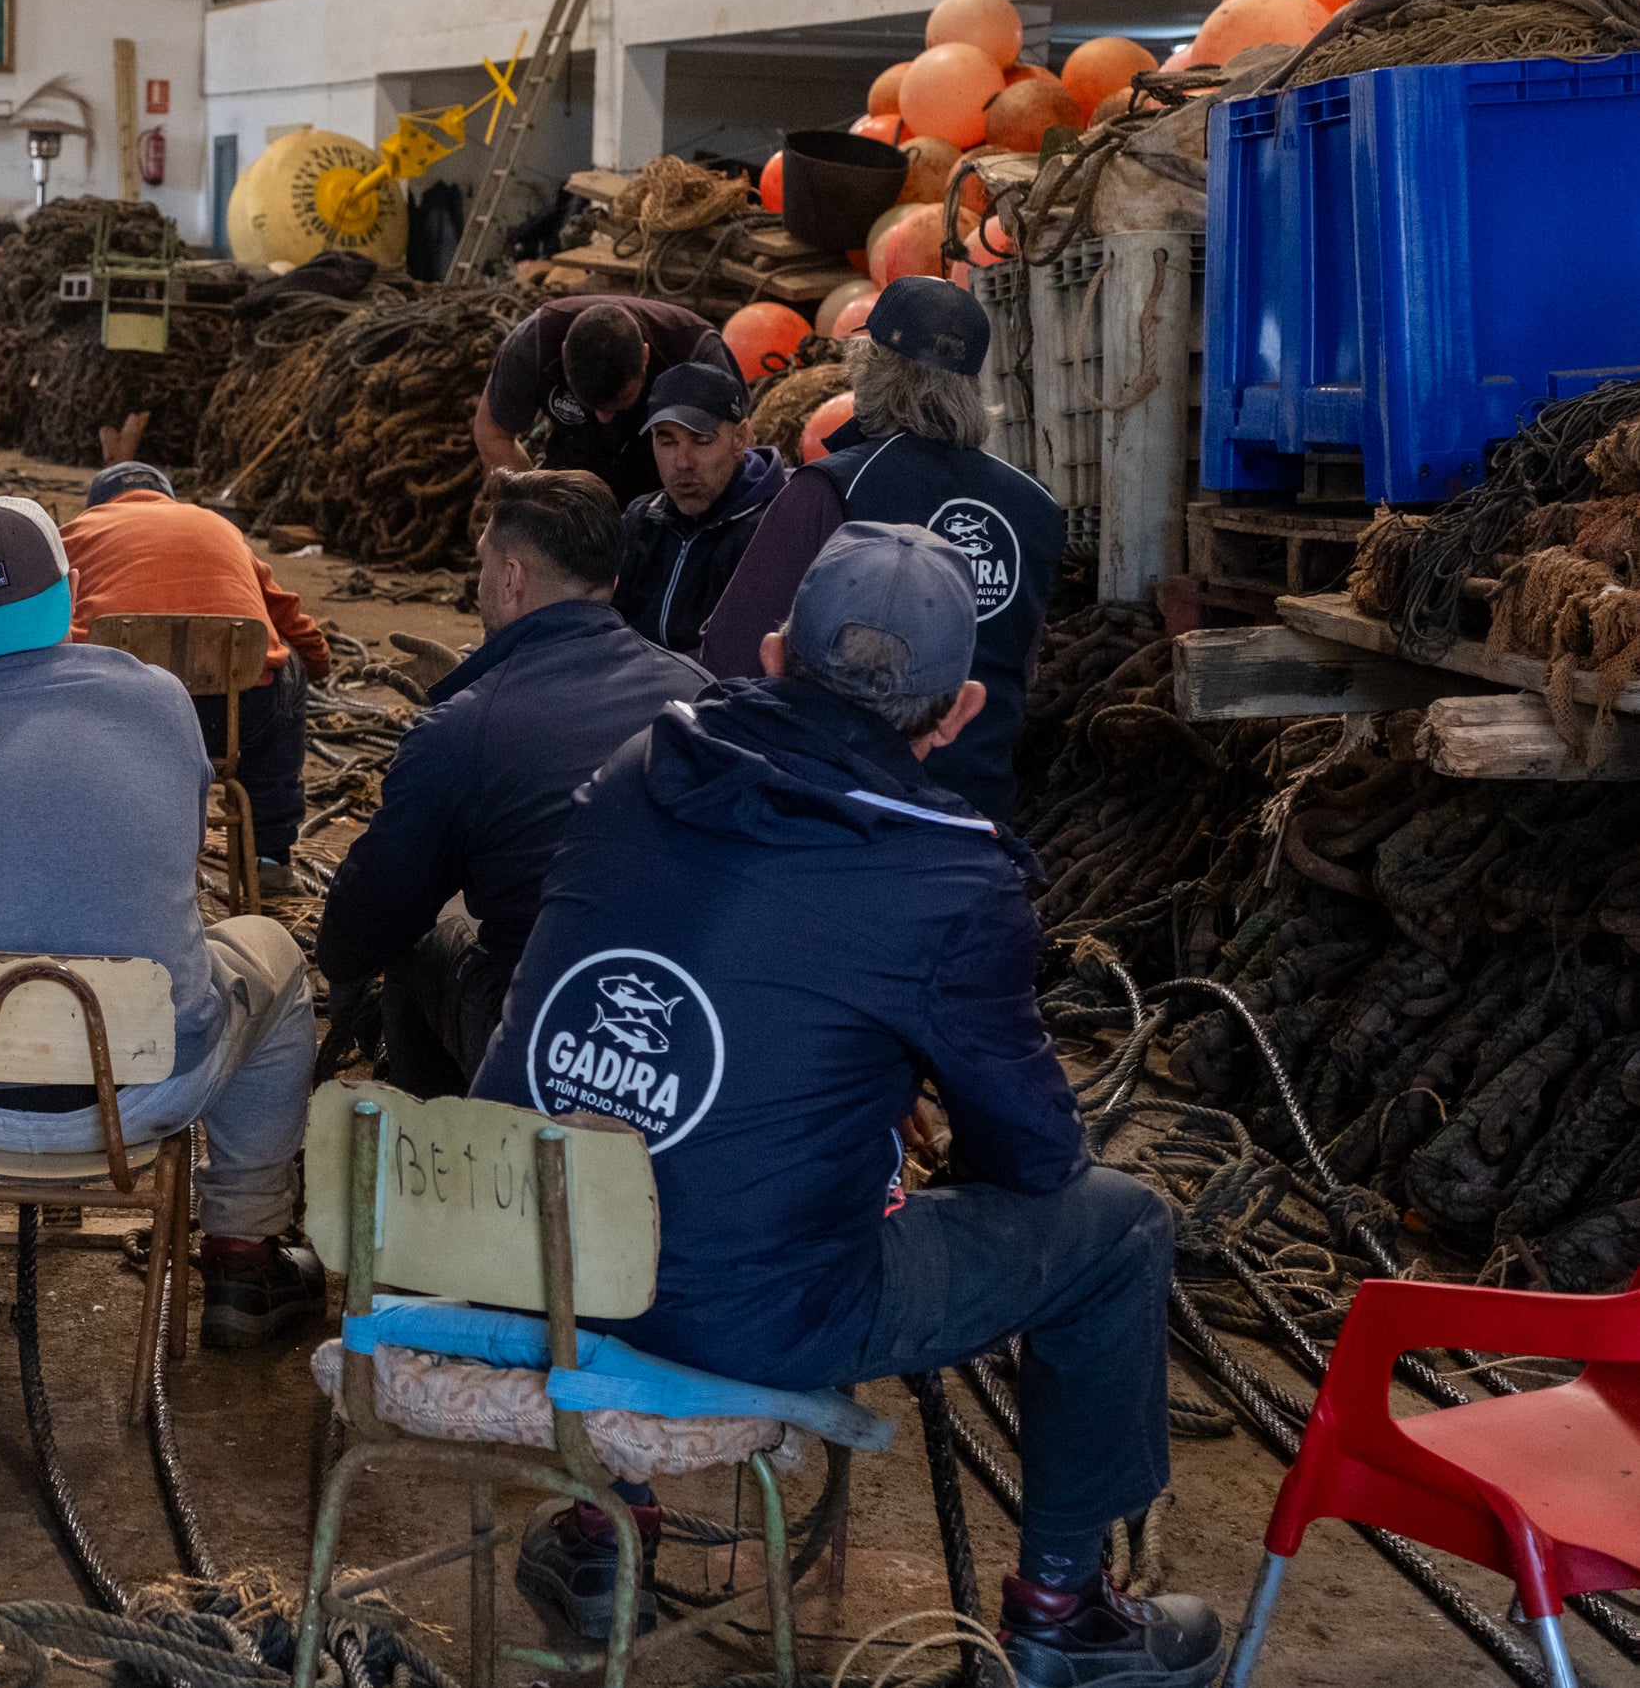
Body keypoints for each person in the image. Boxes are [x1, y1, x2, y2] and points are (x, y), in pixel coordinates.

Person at [480, 522, 1220, 1688]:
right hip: (745, 1312)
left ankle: (599, 1533)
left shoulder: (631, 771)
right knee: (1117, 1228)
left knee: (653, 1143)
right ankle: (1059, 1616)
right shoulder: (948, 877)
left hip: (521, 1248)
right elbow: (1035, 1155)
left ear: (775, 654)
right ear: (961, 709)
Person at [0, 496, 327, 1345]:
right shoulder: (164, 701)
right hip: (142, 1086)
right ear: (69, 598)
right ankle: (244, 1251)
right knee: (272, 954)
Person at [316, 470, 708, 1099]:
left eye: (483, 565)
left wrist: (461, 716)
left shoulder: (463, 729)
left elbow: (360, 926)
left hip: (560, 1056)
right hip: (698, 1042)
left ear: (511, 576)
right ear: (607, 581)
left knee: (420, 932)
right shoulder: (702, 693)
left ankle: (440, 1155)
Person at [699, 276, 1059, 826]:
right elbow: (1021, 672)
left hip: (836, 819)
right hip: (975, 821)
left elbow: (733, 653)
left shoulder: (830, 486)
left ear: (871, 369)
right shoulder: (1036, 507)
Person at [61, 461, 333, 895]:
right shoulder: (218, 526)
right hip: (230, 717)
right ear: (168, 497)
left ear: (99, 503)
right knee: (288, 666)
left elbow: (44, 618)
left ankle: (101, 848)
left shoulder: (74, 531)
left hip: (124, 723)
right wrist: (318, 664)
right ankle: (270, 855)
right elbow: (287, 613)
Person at [472, 295, 738, 506]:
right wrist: (534, 504)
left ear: (645, 358)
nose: (603, 417)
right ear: (563, 355)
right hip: (572, 479)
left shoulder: (695, 350)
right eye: (590, 404)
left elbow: (738, 447)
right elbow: (492, 432)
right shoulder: (536, 342)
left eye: (619, 403)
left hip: (662, 489)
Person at [610, 362, 787, 654]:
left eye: (702, 441)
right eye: (666, 442)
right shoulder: (642, 519)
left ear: (740, 438)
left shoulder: (770, 531)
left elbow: (742, 659)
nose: (682, 462)